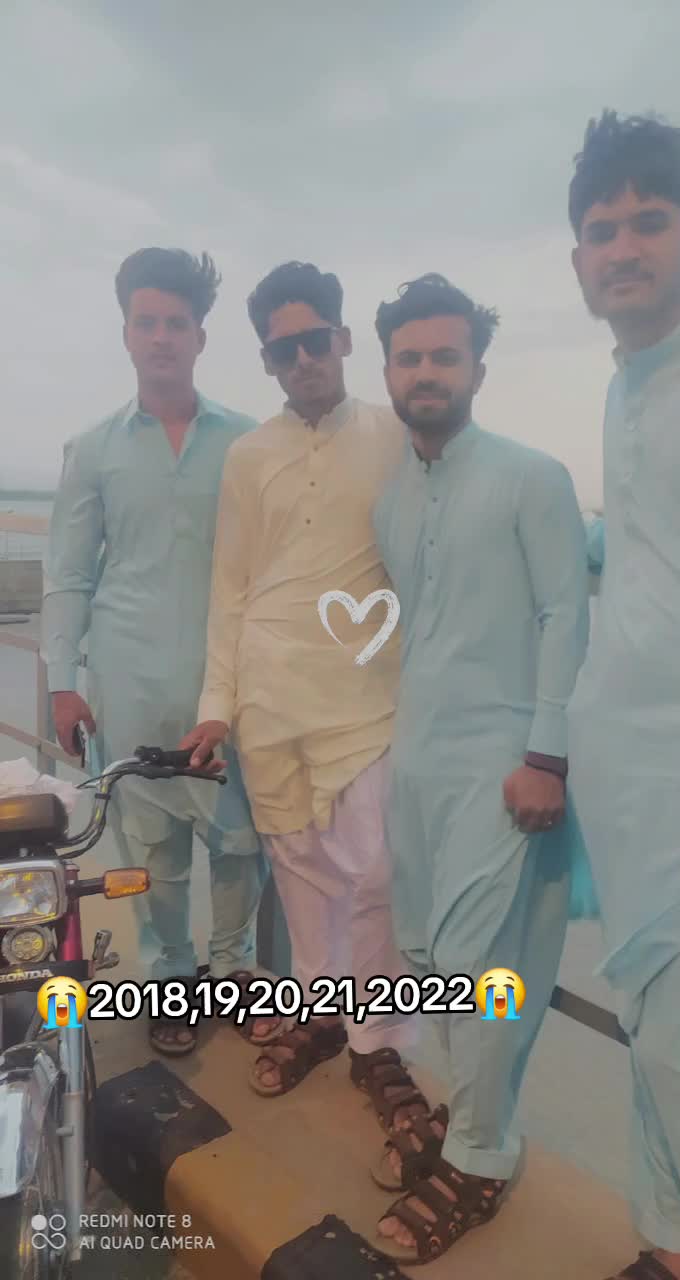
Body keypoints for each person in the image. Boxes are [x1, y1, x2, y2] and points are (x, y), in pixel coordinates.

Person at [369, 273, 590, 1263]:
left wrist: (546, 752)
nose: (427, 372)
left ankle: (482, 1155)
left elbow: (565, 613)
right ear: (389, 370)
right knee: (430, 961)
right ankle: (467, 1119)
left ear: (477, 369)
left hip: (504, 770)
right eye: (409, 357)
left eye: (444, 356)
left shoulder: (531, 476)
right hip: (418, 763)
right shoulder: (390, 501)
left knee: (478, 968)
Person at [182, 262, 430, 1132]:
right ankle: (325, 1016)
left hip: (366, 699)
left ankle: (381, 1043)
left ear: (343, 338)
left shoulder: (396, 434)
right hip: (268, 700)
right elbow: (230, 586)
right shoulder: (249, 456)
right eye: (281, 350)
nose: (301, 361)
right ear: (267, 360)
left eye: (313, 341)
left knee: (376, 871)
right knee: (298, 874)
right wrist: (216, 705)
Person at [43, 248, 265, 1057]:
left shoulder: (249, 444)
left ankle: (233, 972)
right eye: (148, 322)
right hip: (129, 681)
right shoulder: (92, 449)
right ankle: (170, 981)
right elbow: (68, 574)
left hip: (228, 687)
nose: (162, 336)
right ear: (127, 334)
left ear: (200, 336)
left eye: (177, 322)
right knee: (151, 850)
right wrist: (62, 684)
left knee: (239, 844)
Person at [566, 111, 680, 1280]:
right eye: (603, 229)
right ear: (578, 257)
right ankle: (673, 1249)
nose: (623, 247)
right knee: (646, 1021)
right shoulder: (625, 388)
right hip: (627, 782)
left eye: (648, 223)